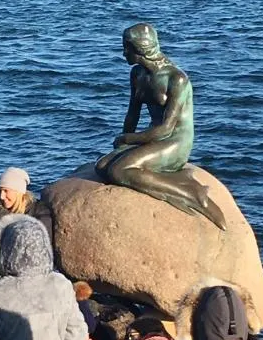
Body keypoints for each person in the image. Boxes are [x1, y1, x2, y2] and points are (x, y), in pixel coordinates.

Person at [95, 24, 226, 230]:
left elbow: (166, 128)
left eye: (126, 48)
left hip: (174, 141)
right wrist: (123, 138)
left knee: (119, 171)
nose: (123, 53)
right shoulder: (137, 74)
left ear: (139, 49)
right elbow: (133, 114)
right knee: (102, 166)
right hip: (153, 138)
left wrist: (128, 140)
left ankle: (193, 194)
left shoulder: (177, 79)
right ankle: (171, 179)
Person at [0, 167, 52, 297]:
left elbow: (40, 255)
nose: (2, 196)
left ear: (19, 191)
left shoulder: (39, 214)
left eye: (6, 191)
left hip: (28, 281)